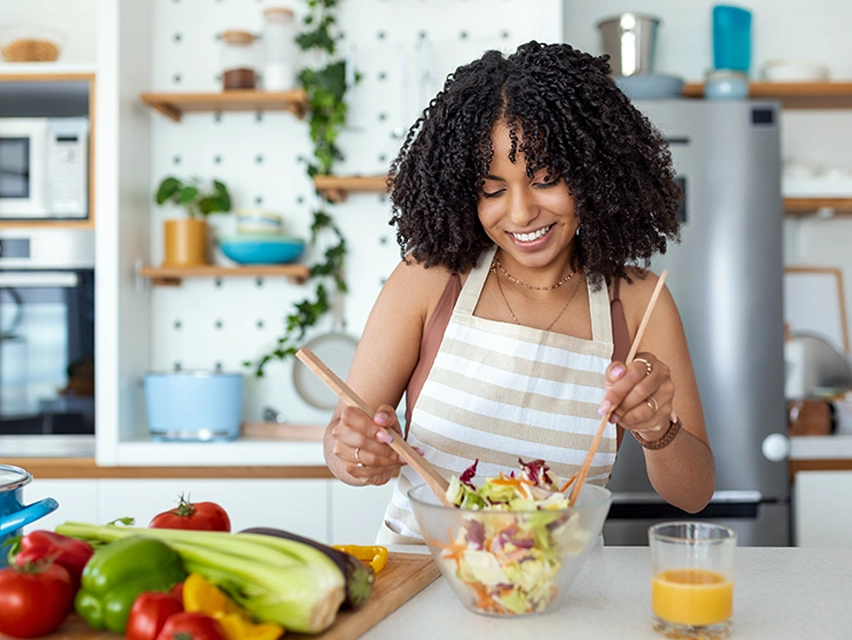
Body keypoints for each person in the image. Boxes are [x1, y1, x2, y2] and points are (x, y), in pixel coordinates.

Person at [322, 41, 715, 544]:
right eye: (493, 189)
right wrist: (357, 453)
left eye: (546, 178)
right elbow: (341, 441)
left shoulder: (640, 302)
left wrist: (658, 428)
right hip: (420, 586)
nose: (522, 212)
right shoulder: (430, 279)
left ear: (596, 172)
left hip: (560, 592)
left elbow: (695, 493)